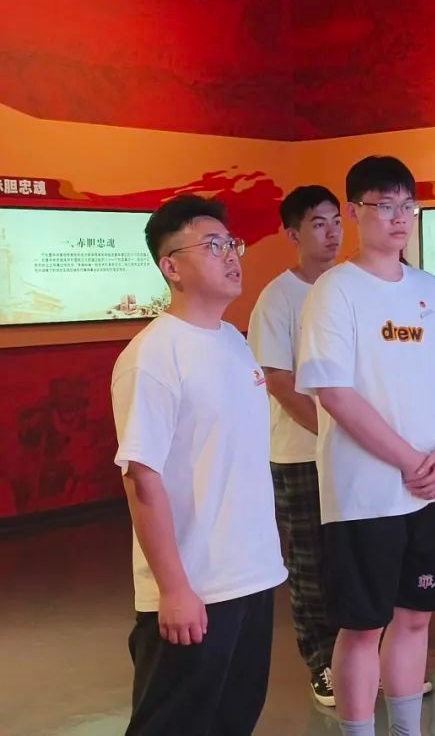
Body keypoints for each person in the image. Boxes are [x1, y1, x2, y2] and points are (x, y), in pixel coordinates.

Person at [295, 156, 435, 736]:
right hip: (364, 494)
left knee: (415, 620)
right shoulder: (335, 291)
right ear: (354, 212)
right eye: (384, 206)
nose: (399, 218)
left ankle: (408, 729)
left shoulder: (430, 289)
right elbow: (335, 395)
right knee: (363, 626)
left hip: (432, 487)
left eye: (407, 206)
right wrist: (413, 461)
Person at [111, 195, 287, 735]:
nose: (231, 255)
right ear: (171, 267)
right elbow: (142, 479)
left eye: (231, 243)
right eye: (212, 246)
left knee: (234, 719)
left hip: (251, 575)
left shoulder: (233, 341)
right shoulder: (153, 355)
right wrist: (174, 589)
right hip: (196, 588)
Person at [248, 185, 342, 706]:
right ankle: (321, 662)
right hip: (300, 453)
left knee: (352, 556)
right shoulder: (278, 297)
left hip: (350, 452)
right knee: (310, 563)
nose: (331, 233)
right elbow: (280, 381)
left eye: (336, 221)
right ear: (292, 234)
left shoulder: (348, 288)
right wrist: (330, 433)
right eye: (318, 224)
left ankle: (357, 656)